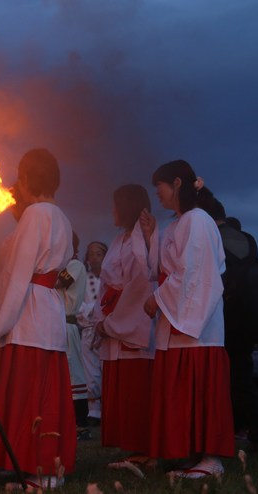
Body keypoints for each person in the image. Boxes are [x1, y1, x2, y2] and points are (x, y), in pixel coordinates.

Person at [0, 148, 76, 489]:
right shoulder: (61, 216)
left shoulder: (35, 214)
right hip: (48, 307)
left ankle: (38, 471)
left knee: (28, 393)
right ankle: (42, 466)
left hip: (29, 312)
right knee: (46, 393)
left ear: (26, 179)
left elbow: (18, 275)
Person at [141, 160, 235, 478]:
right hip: (175, 321)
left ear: (177, 183)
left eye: (160, 187)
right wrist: (151, 234)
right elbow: (161, 270)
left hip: (197, 328)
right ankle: (192, 452)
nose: (157, 193)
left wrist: (158, 298)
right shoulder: (177, 224)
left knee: (201, 389)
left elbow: (194, 273)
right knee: (183, 392)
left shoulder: (198, 221)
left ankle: (212, 458)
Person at [200, 198, 258, 451]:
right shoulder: (246, 238)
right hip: (248, 315)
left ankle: (254, 431)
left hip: (227, 315)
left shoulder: (214, 238)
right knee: (242, 375)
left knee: (233, 377)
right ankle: (250, 428)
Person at [95, 185, 157, 470]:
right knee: (123, 388)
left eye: (115, 205)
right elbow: (108, 284)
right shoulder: (121, 239)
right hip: (113, 316)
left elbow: (139, 285)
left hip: (130, 320)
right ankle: (132, 447)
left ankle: (143, 450)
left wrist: (115, 322)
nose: (112, 211)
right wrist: (103, 318)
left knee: (136, 390)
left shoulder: (140, 241)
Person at [55, 233, 90, 439]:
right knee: (64, 376)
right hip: (57, 326)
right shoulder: (65, 265)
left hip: (67, 325)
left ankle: (81, 425)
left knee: (74, 375)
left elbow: (58, 282)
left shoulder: (75, 264)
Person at [78, 241, 107, 426]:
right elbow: (77, 307)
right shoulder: (82, 280)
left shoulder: (112, 278)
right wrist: (94, 312)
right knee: (91, 373)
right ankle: (94, 412)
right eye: (91, 254)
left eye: (99, 254)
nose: (95, 257)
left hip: (108, 332)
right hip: (89, 332)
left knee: (107, 371)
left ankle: (109, 409)